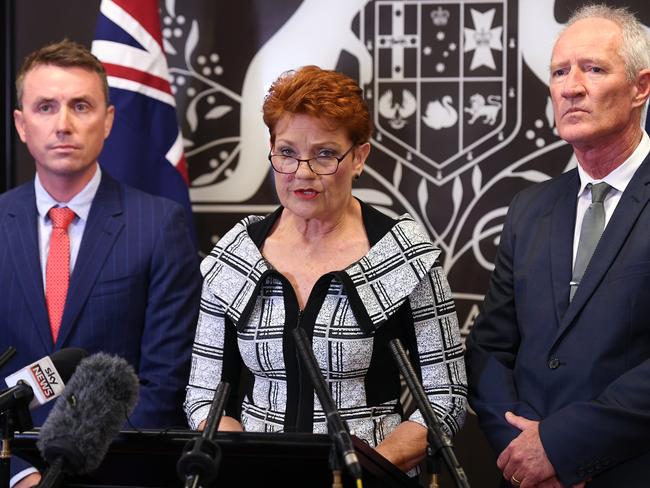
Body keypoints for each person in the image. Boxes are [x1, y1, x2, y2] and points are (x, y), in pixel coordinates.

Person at [184, 65, 467, 473]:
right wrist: (246, 462)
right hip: (259, 478)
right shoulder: (237, 253)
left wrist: (368, 471)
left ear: (359, 157)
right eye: (286, 152)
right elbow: (202, 392)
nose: (303, 172)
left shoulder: (403, 254)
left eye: (324, 154)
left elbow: (446, 398)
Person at [0, 40, 201, 487]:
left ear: (108, 120)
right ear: (21, 124)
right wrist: (21, 473)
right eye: (46, 107)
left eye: (81, 106)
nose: (64, 124)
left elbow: (164, 381)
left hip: (120, 470)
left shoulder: (160, 225)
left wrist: (68, 469)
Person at [465, 4, 650, 487]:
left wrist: (562, 446)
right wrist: (522, 449)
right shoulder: (529, 208)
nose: (570, 87)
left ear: (641, 88)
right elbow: (488, 348)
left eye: (593, 69)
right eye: (559, 72)